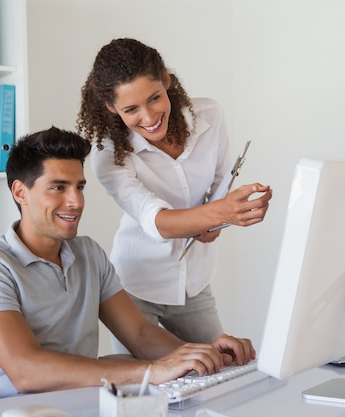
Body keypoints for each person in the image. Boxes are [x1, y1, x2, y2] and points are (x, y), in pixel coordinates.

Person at [0, 125, 255, 399]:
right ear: (21, 192)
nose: (76, 201)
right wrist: (151, 371)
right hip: (7, 410)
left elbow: (139, 334)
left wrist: (203, 353)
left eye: (79, 187)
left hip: (77, 402)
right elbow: (26, 370)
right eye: (58, 187)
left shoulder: (87, 254)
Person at [76, 38, 273, 348]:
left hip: (194, 280)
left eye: (154, 98)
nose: (149, 117)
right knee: (145, 382)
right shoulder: (108, 154)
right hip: (136, 286)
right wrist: (218, 214)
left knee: (218, 368)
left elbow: (221, 182)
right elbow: (154, 219)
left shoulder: (210, 116)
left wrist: (219, 219)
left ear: (166, 80)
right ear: (111, 108)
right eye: (131, 109)